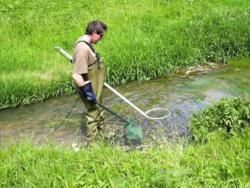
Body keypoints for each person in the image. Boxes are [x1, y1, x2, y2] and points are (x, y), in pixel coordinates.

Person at [72, 20, 107, 142]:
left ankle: (101, 135)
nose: (101, 39)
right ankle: (93, 143)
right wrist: (88, 92)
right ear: (94, 33)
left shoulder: (87, 44)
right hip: (89, 87)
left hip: (96, 85)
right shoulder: (82, 49)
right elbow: (76, 75)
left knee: (100, 109)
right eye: (101, 36)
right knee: (93, 112)